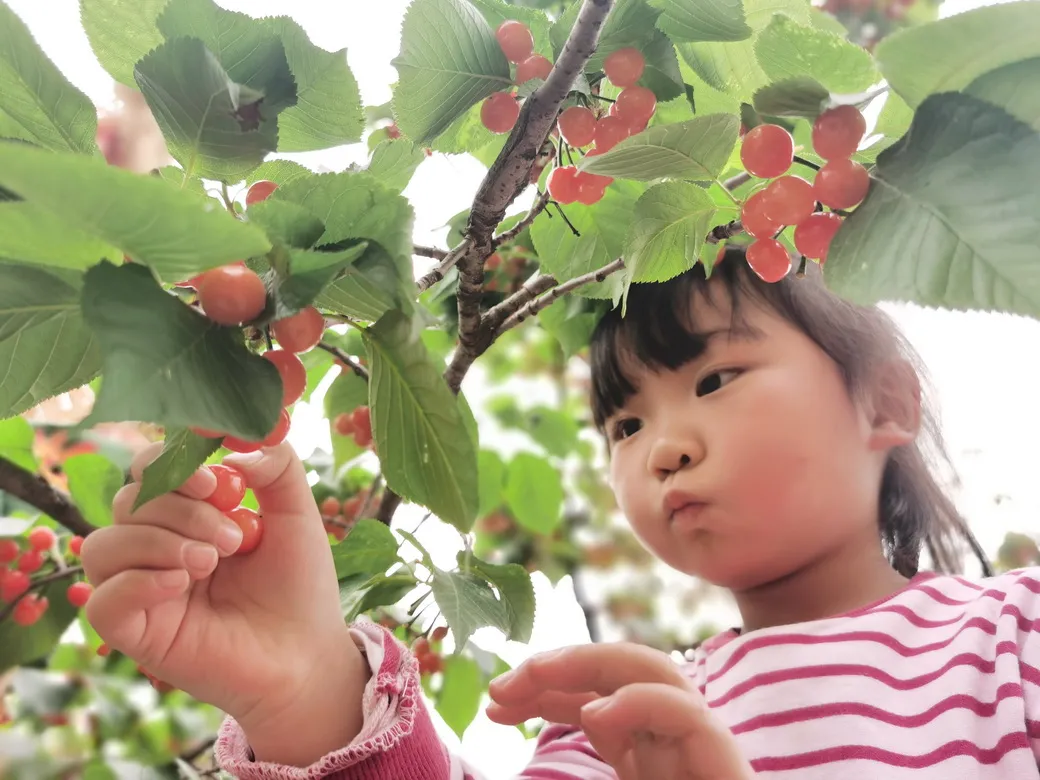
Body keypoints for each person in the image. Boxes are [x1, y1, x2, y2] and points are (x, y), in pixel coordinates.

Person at [80, 252, 1040, 779]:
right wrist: (307, 698)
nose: (662, 445)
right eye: (625, 422)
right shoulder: (616, 720)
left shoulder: (1013, 642)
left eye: (715, 377)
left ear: (885, 404)